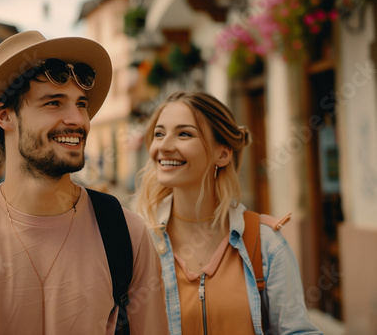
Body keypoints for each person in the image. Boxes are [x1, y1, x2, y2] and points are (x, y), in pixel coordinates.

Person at [0, 30, 169, 335]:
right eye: (54, 103)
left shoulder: (126, 236)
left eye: (81, 104)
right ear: (5, 115)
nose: (77, 119)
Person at [135, 91, 322, 335]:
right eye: (159, 134)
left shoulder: (265, 244)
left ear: (222, 154)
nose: (164, 146)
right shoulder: (138, 244)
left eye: (184, 134)